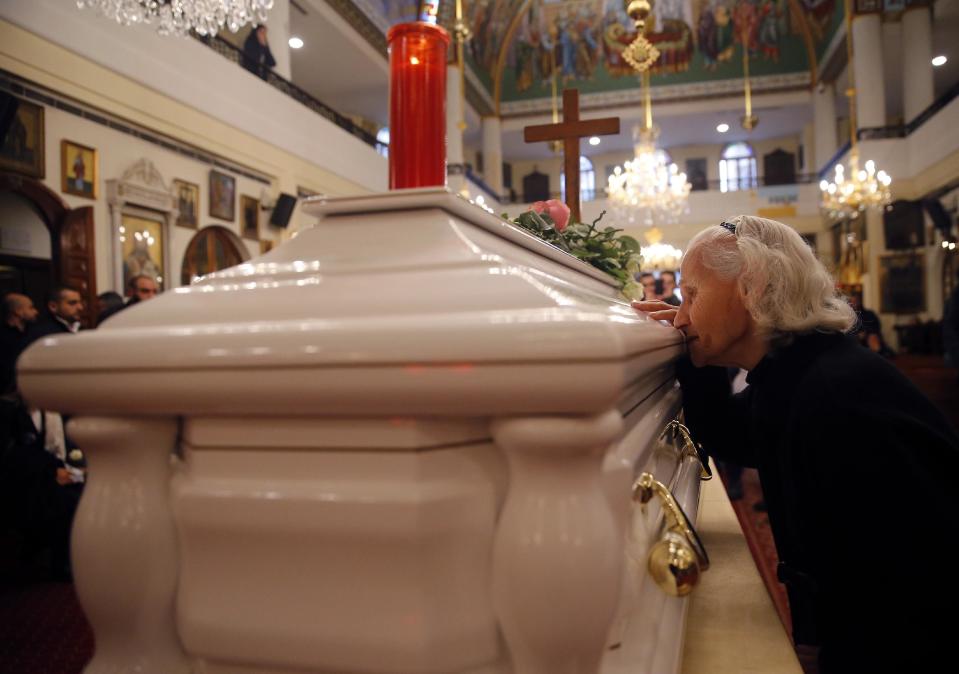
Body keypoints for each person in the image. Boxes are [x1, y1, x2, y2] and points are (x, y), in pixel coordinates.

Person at [634, 215, 959, 674]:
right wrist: (687, 348)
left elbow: (904, 576)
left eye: (693, 294)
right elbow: (735, 435)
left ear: (753, 285)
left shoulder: (836, 393)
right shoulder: (795, 373)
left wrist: (824, 642)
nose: (682, 314)